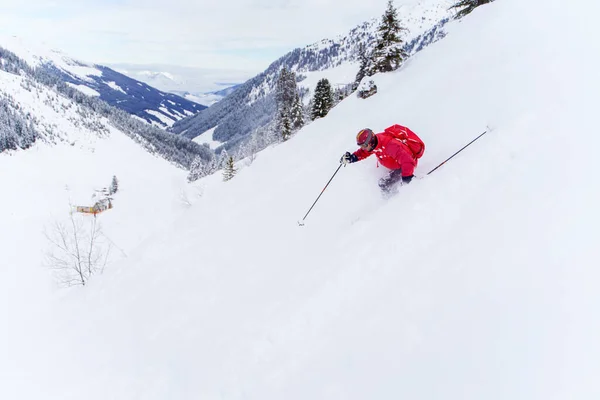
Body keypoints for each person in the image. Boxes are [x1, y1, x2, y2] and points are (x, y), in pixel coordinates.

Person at [340, 125, 425, 193]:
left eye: (364, 145)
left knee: (384, 184)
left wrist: (407, 178)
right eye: (361, 146)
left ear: (370, 142)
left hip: (404, 167)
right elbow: (364, 152)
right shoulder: (374, 145)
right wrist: (352, 158)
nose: (363, 148)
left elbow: (407, 160)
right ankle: (390, 198)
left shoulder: (390, 145)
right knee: (383, 184)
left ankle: (399, 198)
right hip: (399, 165)